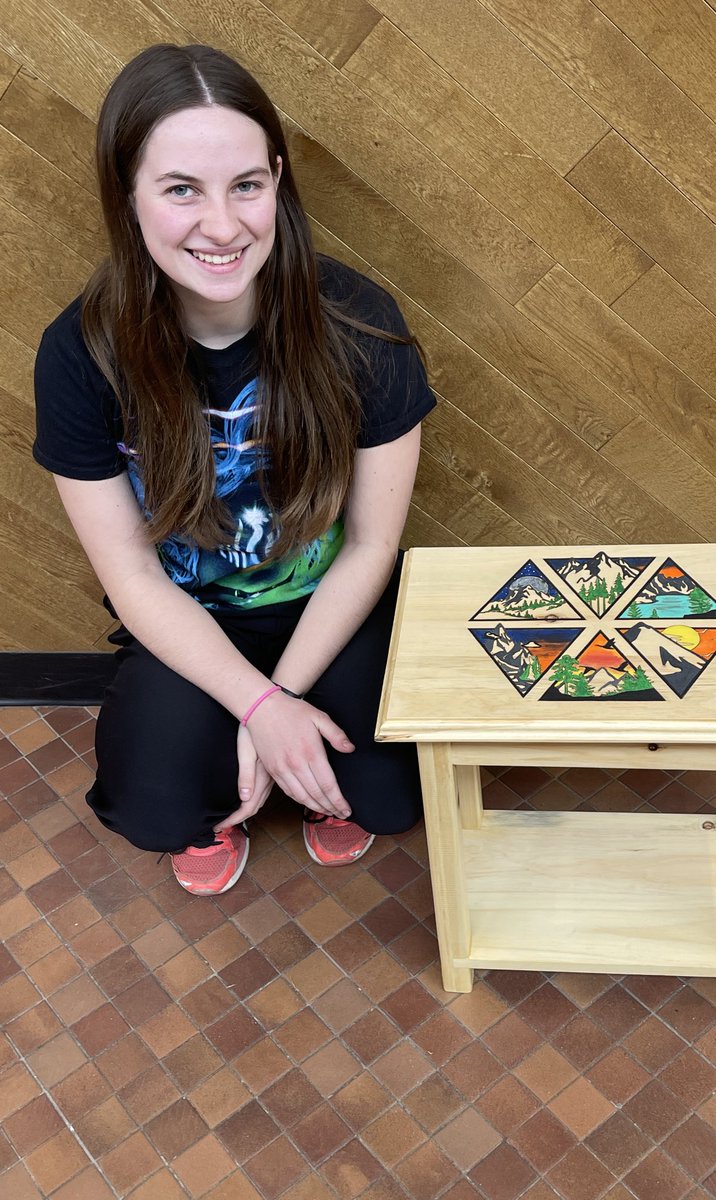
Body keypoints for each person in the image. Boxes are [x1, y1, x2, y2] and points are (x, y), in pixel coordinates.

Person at [32, 43, 435, 895]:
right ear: (127, 194)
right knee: (157, 813)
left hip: (334, 608)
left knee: (390, 800)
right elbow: (135, 577)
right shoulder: (78, 355)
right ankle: (244, 769)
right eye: (181, 189)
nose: (223, 225)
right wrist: (261, 709)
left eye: (246, 184)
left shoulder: (359, 321)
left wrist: (277, 701)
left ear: (277, 181)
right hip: (190, 619)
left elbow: (369, 547)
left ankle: (301, 774)